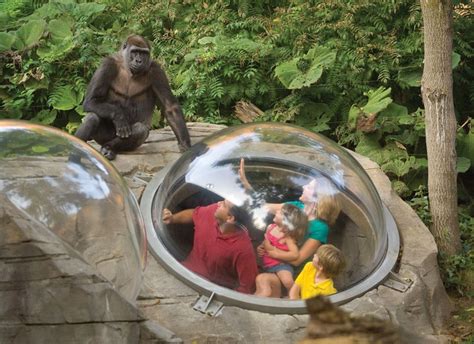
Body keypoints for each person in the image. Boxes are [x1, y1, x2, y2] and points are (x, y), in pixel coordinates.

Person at [239, 158, 341, 297]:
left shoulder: (320, 227)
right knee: (262, 283)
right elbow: (262, 206)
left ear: (317, 199)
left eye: (309, 187)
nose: (304, 187)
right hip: (273, 262)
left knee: (265, 286)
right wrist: (245, 184)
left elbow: (297, 259)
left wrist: (271, 250)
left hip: (295, 272)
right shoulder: (295, 206)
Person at [162, 199, 258, 294]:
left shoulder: (243, 249)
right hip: (183, 271)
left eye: (223, 205)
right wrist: (173, 218)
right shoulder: (213, 211)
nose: (218, 203)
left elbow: (247, 288)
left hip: (207, 291)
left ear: (230, 218)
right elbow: (195, 214)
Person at [255, 204, 308, 297]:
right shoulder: (270, 227)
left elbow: (295, 255)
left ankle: (294, 296)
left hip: (281, 265)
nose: (277, 211)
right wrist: (261, 247)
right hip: (267, 264)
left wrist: (276, 254)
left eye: (281, 212)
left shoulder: (288, 237)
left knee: (287, 281)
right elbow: (266, 241)